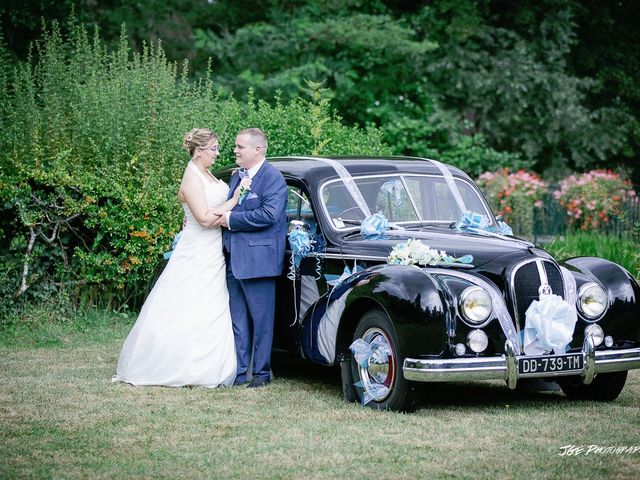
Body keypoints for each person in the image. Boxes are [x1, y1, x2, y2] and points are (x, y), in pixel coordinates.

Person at [112, 128, 250, 388]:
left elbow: (186, 201)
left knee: (213, 304)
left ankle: (213, 364)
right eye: (214, 149)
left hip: (212, 251)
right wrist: (235, 198)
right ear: (199, 151)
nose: (218, 153)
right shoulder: (191, 176)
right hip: (198, 249)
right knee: (188, 301)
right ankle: (179, 364)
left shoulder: (205, 174)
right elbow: (205, 219)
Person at [214, 128, 287, 388]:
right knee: (238, 319)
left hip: (259, 262)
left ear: (258, 150)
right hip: (233, 259)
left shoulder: (273, 178)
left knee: (262, 321)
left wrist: (232, 220)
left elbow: (269, 215)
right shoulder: (238, 177)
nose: (235, 150)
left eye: (239, 147)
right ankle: (241, 371)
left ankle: (262, 374)